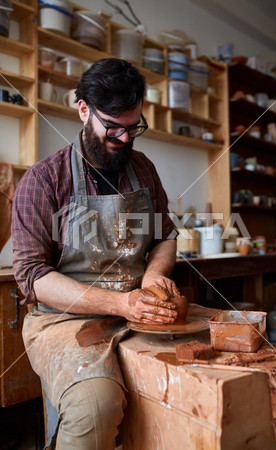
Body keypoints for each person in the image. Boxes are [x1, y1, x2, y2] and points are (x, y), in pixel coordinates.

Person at [11, 58, 180, 449]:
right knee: (96, 407)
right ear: (83, 109)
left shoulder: (143, 169)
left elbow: (165, 236)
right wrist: (119, 303)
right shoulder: (44, 179)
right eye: (113, 127)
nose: (124, 138)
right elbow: (33, 276)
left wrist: (154, 273)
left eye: (133, 127)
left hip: (138, 309)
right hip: (64, 321)